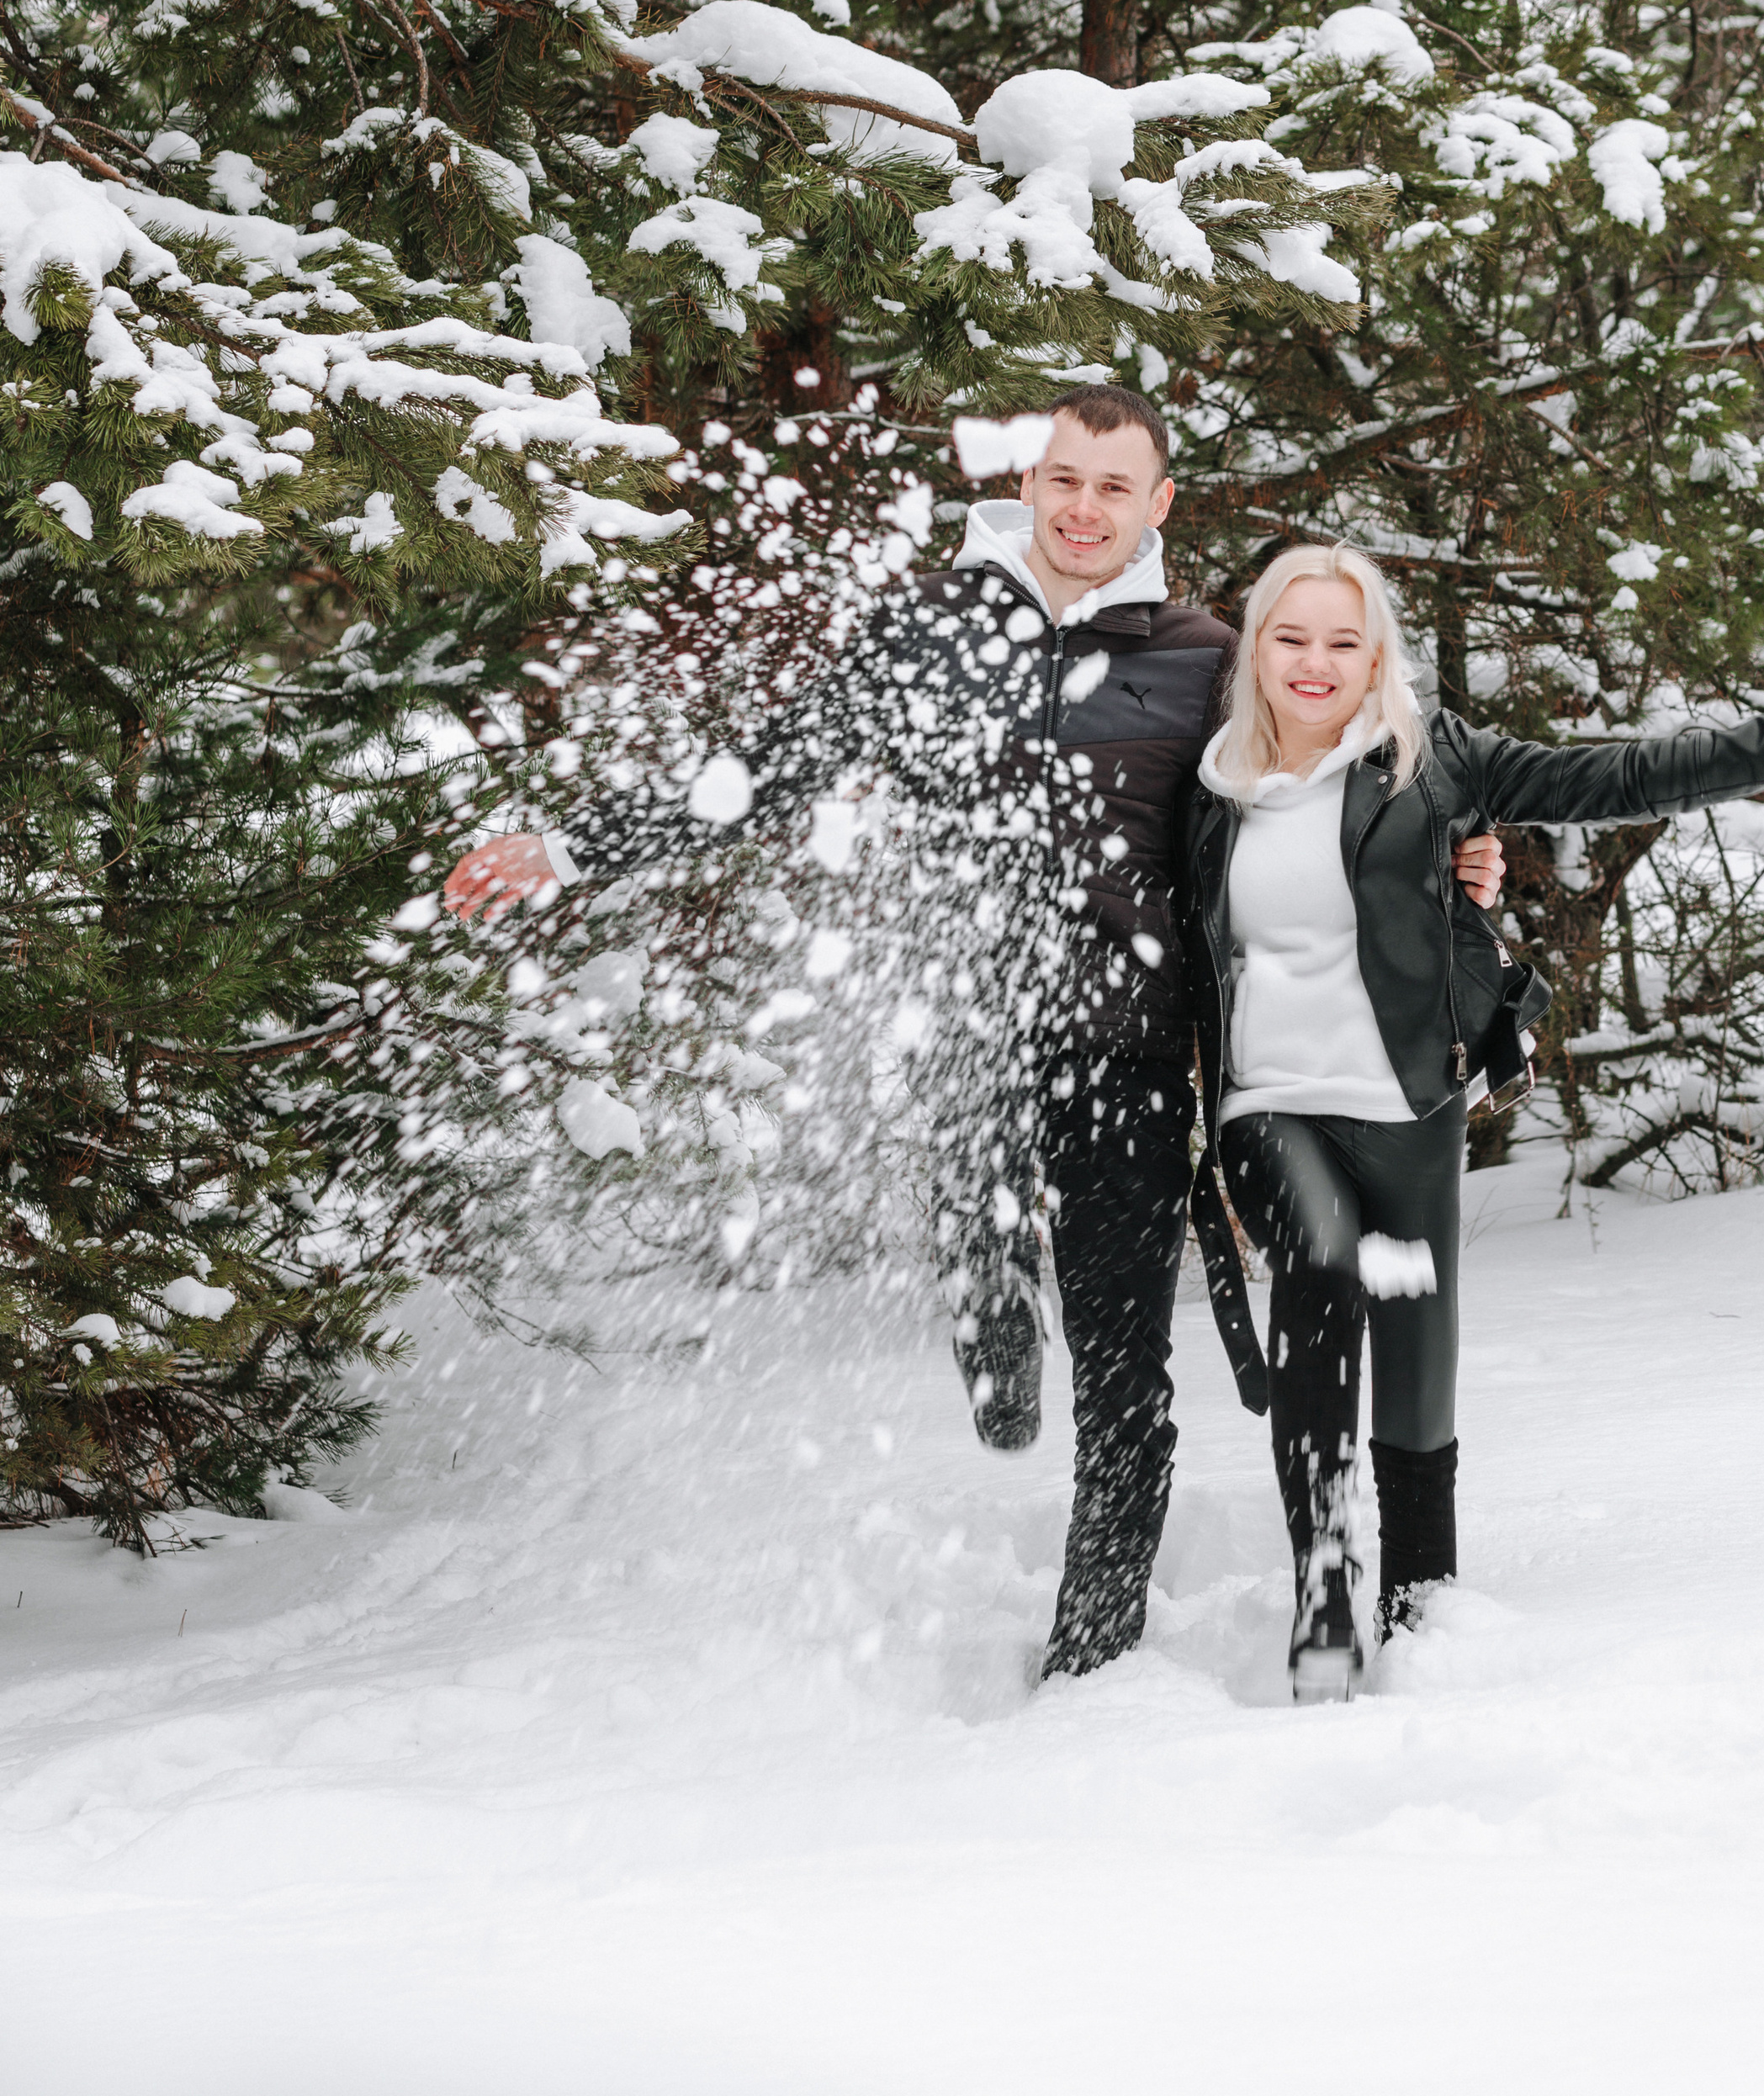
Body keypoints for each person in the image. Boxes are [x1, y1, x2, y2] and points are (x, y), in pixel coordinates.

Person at [442, 384, 1504, 1680]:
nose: (1084, 508)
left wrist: (1450, 859)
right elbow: (771, 765)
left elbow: (1320, 789)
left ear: (1158, 505)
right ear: (1025, 484)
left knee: (1124, 1370)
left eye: (1114, 487)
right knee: (986, 1224)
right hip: (972, 1029)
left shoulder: (1205, 658)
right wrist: (572, 848)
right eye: (1064, 479)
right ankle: (988, 1294)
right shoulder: (930, 629)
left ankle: (1092, 1651)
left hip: (1127, 1048)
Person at [1181, 540, 1764, 1703]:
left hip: (1412, 1105)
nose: (1314, 663)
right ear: (1255, 649)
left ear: (1376, 656)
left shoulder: (1429, 764)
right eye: (1291, 637)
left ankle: (1421, 1610)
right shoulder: (1211, 780)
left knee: (1419, 1366)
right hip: (1269, 1105)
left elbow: (1619, 775)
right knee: (1322, 1264)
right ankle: (1323, 1586)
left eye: (1342, 641)